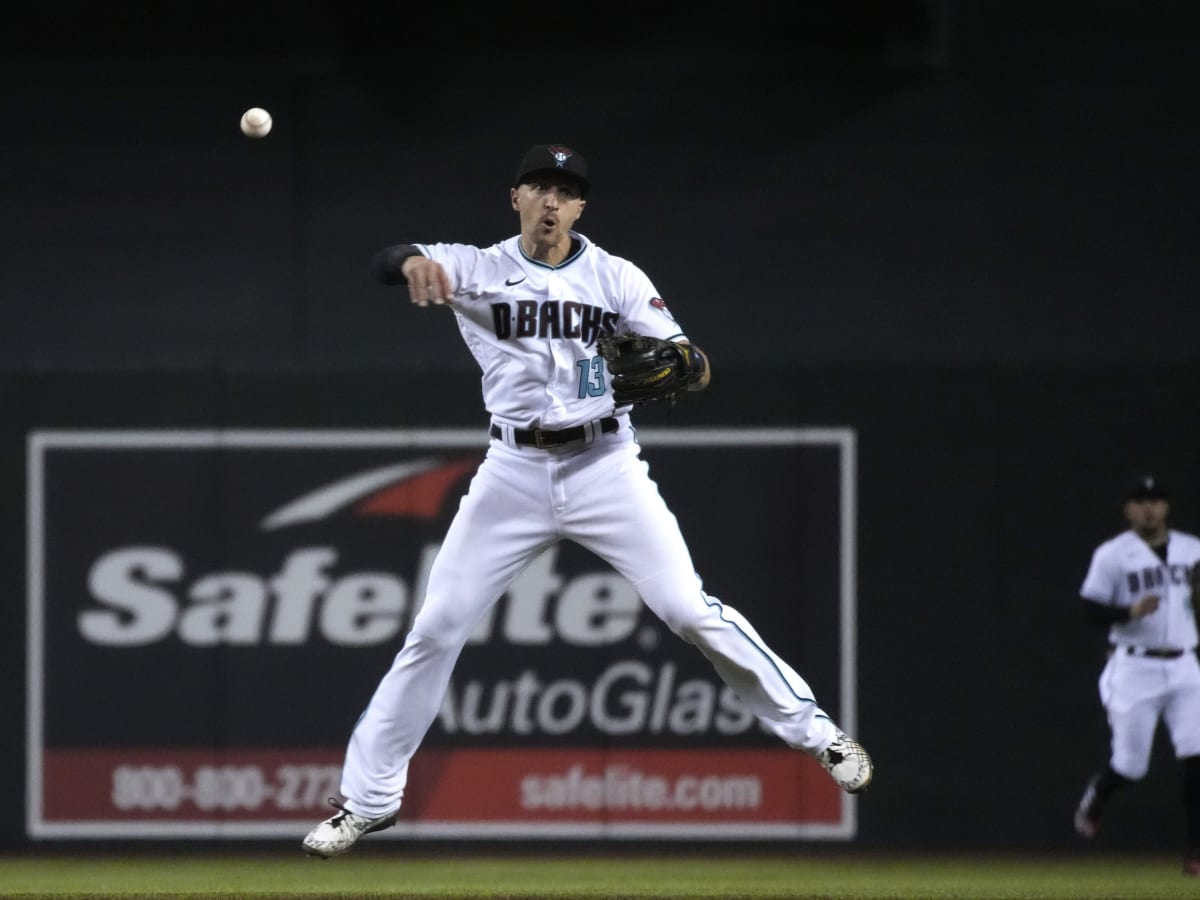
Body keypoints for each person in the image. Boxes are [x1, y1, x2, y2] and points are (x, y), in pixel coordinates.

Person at [302, 143, 873, 858]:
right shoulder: (476, 267)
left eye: (565, 192)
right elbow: (387, 257)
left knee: (687, 608)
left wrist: (681, 365)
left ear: (580, 207)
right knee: (436, 628)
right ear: (515, 197)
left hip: (605, 463)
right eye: (539, 186)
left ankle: (818, 735)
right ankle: (369, 802)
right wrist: (412, 262)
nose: (551, 201)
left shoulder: (617, 277)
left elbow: (690, 365)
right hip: (511, 471)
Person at [1072, 473, 1200, 875]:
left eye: (1157, 500)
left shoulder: (1193, 549)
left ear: (1167, 507)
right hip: (1134, 666)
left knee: (1197, 754)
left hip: (1184, 664)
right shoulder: (1113, 554)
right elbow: (1089, 610)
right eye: (1141, 501)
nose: (1150, 508)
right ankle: (1098, 794)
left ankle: (1195, 851)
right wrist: (1128, 611)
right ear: (1129, 509)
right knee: (1131, 765)